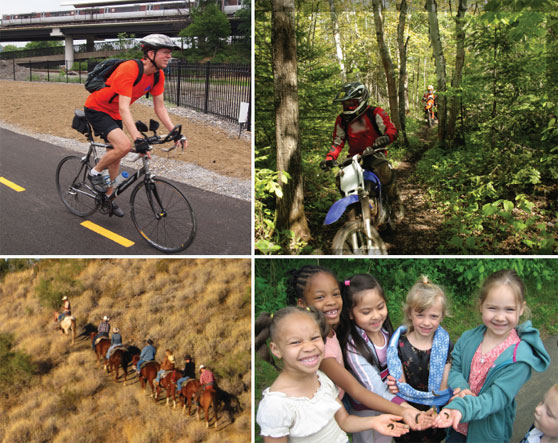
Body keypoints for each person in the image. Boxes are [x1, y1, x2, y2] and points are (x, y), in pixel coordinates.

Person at [284, 265, 433, 431]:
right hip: (330, 407)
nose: (331, 301)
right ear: (302, 303)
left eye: (335, 294)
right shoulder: (320, 348)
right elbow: (357, 390)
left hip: (340, 398)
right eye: (320, 297)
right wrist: (405, 411)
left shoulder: (331, 329)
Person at [255, 306, 410, 442]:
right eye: (296, 342)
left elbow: (344, 420)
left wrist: (373, 422)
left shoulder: (321, 379)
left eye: (315, 338)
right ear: (276, 349)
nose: (309, 347)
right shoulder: (275, 406)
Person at [433, 269, 551, 442]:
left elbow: (496, 399)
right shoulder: (468, 338)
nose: (500, 317)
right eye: (492, 308)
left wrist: (461, 406)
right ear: (481, 305)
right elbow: (454, 367)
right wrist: (461, 387)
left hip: (486, 433)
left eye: (509, 309)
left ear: (521, 309)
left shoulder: (520, 357)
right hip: (458, 424)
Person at [84, 34, 187, 216]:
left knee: (116, 157)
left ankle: (108, 199)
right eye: (165, 52)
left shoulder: (157, 76)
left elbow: (160, 108)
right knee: (124, 146)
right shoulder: (129, 69)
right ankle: (95, 172)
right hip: (97, 108)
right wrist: (137, 138)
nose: (169, 56)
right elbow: (125, 108)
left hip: (114, 112)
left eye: (170, 53)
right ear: (150, 53)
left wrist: (175, 132)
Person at [337, 273, 430, 443]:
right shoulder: (353, 347)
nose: (376, 315)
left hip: (391, 403)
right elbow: (375, 390)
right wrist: (407, 409)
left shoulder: (388, 334)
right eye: (366, 312)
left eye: (380, 307)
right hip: (366, 411)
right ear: (350, 314)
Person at [320, 81, 404, 221]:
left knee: (383, 170)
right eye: (345, 103)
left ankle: (394, 200)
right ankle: (356, 205)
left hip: (374, 152)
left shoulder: (375, 112)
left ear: (360, 100)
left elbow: (392, 129)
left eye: (350, 102)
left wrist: (386, 138)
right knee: (340, 179)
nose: (347, 106)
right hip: (354, 158)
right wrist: (330, 158)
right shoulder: (342, 119)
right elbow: (338, 141)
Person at [386, 276, 453, 443]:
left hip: (434, 409)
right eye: (420, 315)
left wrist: (435, 408)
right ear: (410, 313)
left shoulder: (444, 344)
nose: (426, 322)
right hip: (408, 409)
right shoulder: (399, 345)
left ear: (442, 316)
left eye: (434, 316)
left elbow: (445, 382)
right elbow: (399, 382)